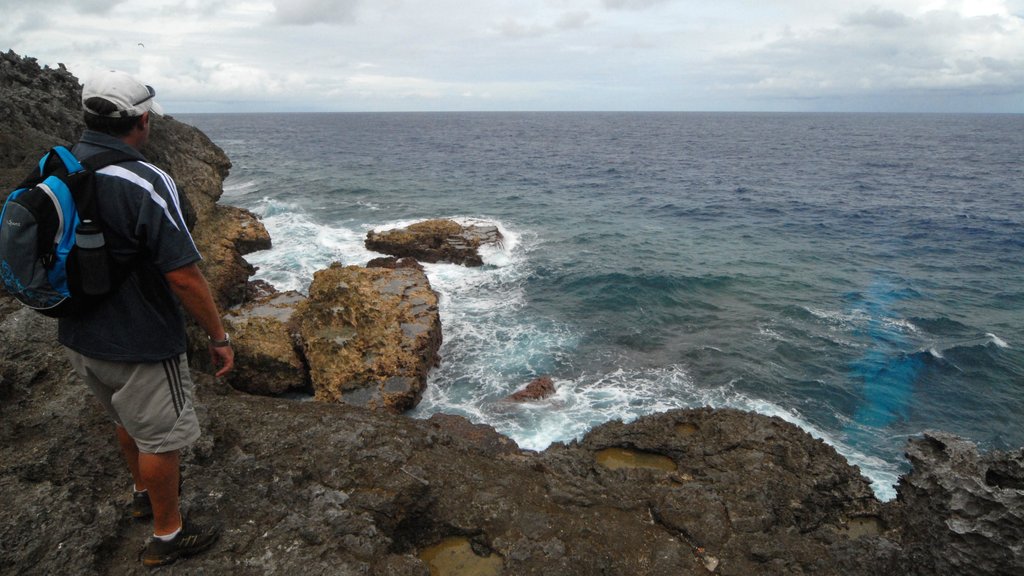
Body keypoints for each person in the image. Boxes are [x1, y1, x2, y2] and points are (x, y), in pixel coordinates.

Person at [60, 69, 234, 568]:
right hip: (139, 336)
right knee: (161, 435)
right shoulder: (146, 179)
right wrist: (218, 336)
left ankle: (141, 493)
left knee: (125, 418)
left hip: (79, 330)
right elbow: (183, 276)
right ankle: (168, 534)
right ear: (141, 120)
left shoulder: (61, 166)